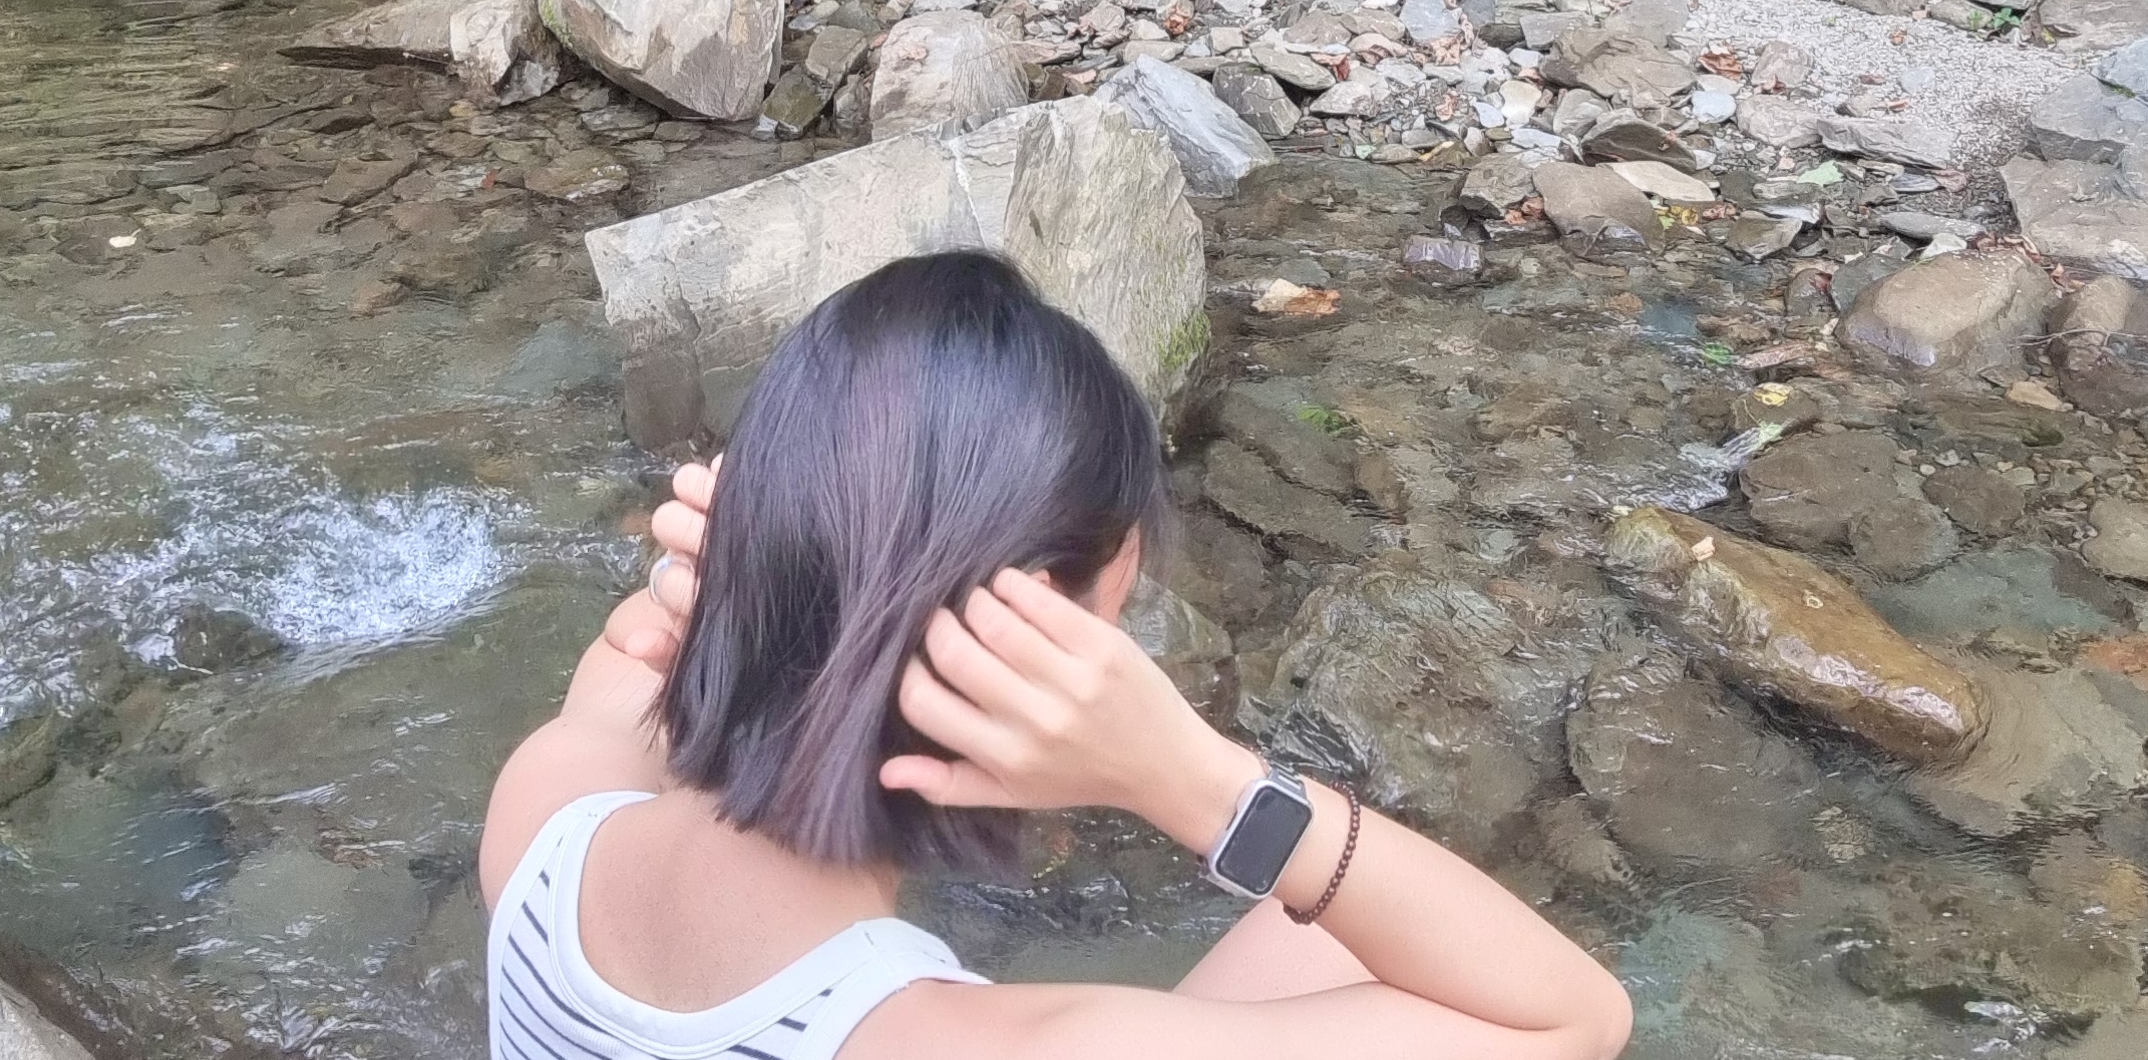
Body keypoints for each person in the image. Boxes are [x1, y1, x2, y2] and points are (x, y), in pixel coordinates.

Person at [482, 250, 1634, 1060]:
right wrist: (1196, 780)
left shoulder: (543, 818)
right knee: (1361, 916)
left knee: (1324, 941)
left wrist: (760, 556)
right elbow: (1567, 1018)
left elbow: (639, 655)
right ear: (1042, 622)